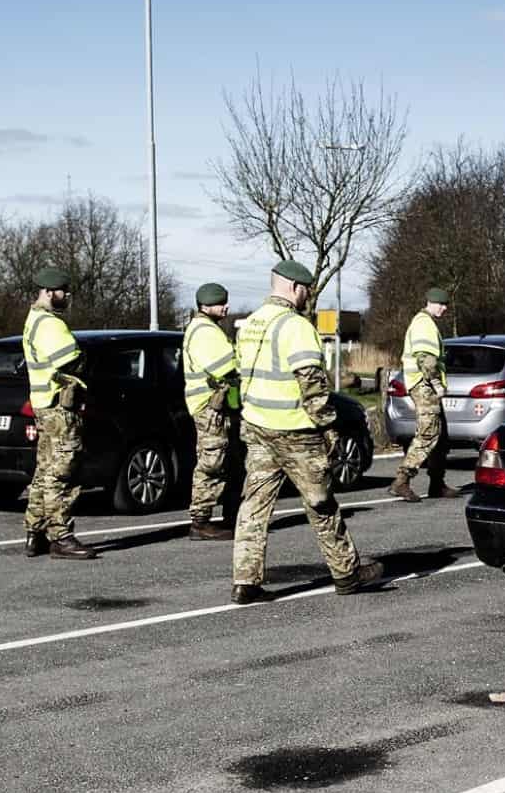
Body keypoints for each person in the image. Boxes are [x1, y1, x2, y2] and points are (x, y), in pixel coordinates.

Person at [230, 258, 383, 604]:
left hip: (258, 427)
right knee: (321, 503)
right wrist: (329, 427)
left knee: (253, 506)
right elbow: (312, 385)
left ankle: (245, 581)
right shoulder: (296, 327)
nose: (308, 296)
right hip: (295, 431)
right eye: (307, 290)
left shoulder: (251, 323)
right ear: (295, 288)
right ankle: (346, 573)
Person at [21, 266, 96, 559]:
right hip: (58, 408)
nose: (67, 296)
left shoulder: (34, 320)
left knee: (44, 471)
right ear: (50, 292)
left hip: (44, 405)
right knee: (62, 472)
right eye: (64, 291)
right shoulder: (50, 324)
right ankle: (60, 536)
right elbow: (71, 362)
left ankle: (35, 532)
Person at [390, 285, 461, 502]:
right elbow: (426, 359)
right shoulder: (424, 324)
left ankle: (437, 484)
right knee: (429, 434)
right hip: (424, 385)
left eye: (446, 305)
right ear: (430, 303)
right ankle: (402, 480)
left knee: (441, 436)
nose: (444, 309)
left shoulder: (424, 323)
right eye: (441, 304)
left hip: (424, 385)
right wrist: (436, 383)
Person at [182, 282, 241, 540]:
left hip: (212, 407)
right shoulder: (206, 331)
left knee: (222, 460)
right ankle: (201, 521)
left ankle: (223, 515)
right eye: (220, 303)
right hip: (209, 407)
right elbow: (226, 365)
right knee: (211, 462)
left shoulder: (204, 328)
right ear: (206, 305)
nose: (226, 307)